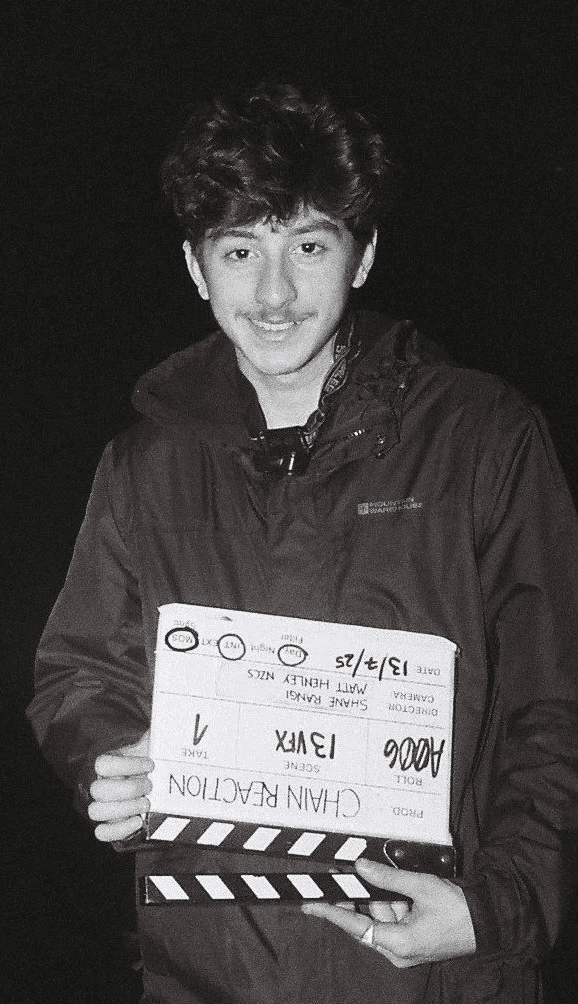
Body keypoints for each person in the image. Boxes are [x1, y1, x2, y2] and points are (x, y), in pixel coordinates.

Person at [27, 81, 578, 1004]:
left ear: (361, 258)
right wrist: (109, 761)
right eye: (241, 249)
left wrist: (495, 908)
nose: (274, 293)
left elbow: (556, 701)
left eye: (309, 245)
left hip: (438, 975)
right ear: (198, 268)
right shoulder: (142, 462)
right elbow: (78, 672)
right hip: (209, 974)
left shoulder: (485, 436)